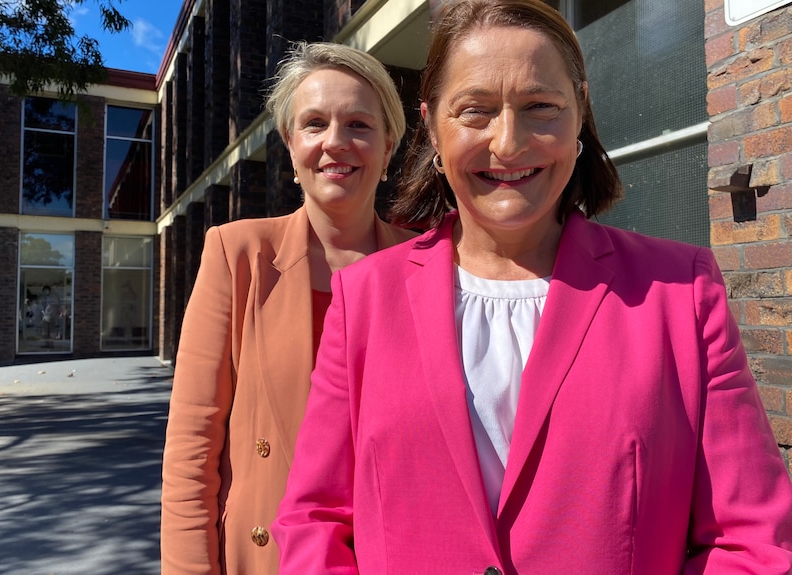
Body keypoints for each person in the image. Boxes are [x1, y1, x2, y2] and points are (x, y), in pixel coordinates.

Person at [272, 1, 792, 573]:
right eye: (475, 111)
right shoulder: (365, 297)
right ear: (431, 126)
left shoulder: (682, 293)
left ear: (580, 114)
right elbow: (315, 520)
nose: (508, 143)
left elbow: (750, 540)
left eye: (540, 106)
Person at [160, 41, 416, 574]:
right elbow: (191, 450)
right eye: (315, 123)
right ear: (290, 143)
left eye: (359, 125)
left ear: (388, 147)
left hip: (394, 554)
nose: (336, 143)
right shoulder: (237, 255)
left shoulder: (428, 266)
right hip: (269, 558)